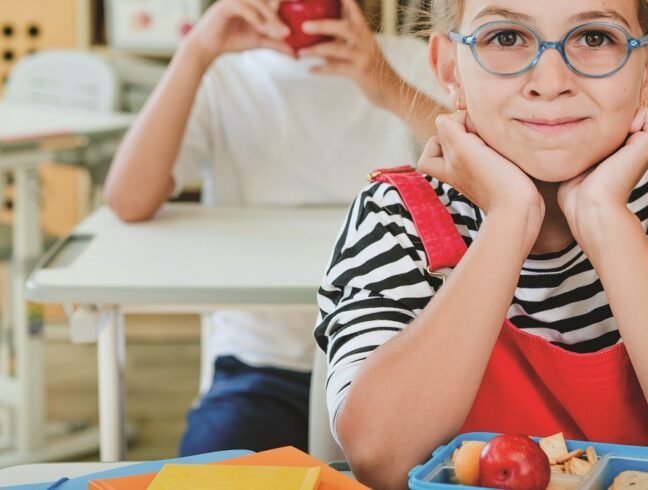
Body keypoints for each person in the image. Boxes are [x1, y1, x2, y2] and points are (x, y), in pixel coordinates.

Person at [314, 0, 648, 487]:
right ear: (449, 68)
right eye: (505, 38)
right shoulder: (396, 213)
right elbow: (381, 456)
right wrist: (510, 218)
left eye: (595, 38)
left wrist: (605, 219)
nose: (550, 80)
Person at [103, 0, 446, 455]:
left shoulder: (405, 60)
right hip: (261, 364)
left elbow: (486, 168)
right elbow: (129, 199)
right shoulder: (225, 76)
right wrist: (198, 51)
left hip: (393, 357)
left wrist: (385, 85)